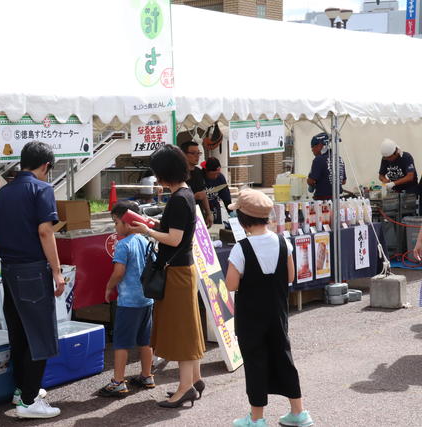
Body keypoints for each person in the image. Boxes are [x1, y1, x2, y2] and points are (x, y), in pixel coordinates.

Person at [0, 141, 65, 419]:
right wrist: (56, 270)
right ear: (45, 166)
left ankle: (22, 392)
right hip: (32, 270)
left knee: (18, 333)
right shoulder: (42, 189)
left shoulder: (2, 193)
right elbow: (45, 232)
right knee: (39, 334)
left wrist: (7, 252)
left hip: (9, 270)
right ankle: (30, 401)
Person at [225, 188, 313, 427]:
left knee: (255, 361)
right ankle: (298, 412)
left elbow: (232, 284)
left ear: (243, 220)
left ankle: (257, 418)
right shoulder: (283, 242)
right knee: (283, 357)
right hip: (277, 312)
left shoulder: (241, 248)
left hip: (250, 316)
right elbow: (290, 276)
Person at [128, 144, 206, 409]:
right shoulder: (185, 195)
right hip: (183, 269)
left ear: (163, 172)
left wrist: (146, 231)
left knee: (182, 331)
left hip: (177, 272)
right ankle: (194, 380)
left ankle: (185, 388)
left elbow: (174, 238)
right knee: (189, 327)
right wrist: (151, 226)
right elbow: (175, 234)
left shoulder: (179, 198)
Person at [98, 201, 155, 397]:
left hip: (128, 302)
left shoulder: (123, 245)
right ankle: (147, 375)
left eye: (116, 222)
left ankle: (118, 381)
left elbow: (118, 271)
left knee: (121, 342)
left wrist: (108, 286)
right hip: (147, 300)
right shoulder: (146, 240)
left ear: (128, 222)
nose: (115, 227)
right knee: (145, 341)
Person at [180, 141, 213, 226]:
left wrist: (208, 213)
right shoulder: (178, 174)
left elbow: (203, 194)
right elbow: (174, 197)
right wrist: (193, 197)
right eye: (193, 153)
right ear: (183, 154)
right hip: (182, 215)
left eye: (198, 153)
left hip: (198, 213)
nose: (197, 156)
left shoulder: (199, 172)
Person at [306, 132, 346, 200]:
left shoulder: (318, 160)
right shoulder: (339, 158)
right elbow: (343, 181)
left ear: (320, 145)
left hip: (323, 201)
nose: (312, 150)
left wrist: (309, 181)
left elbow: (311, 181)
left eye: (313, 147)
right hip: (338, 200)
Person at [202, 157, 232, 224]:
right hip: (201, 209)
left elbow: (226, 196)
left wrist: (230, 211)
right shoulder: (200, 177)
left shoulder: (220, 178)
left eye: (218, 173)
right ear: (206, 171)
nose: (216, 176)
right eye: (214, 174)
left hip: (215, 207)